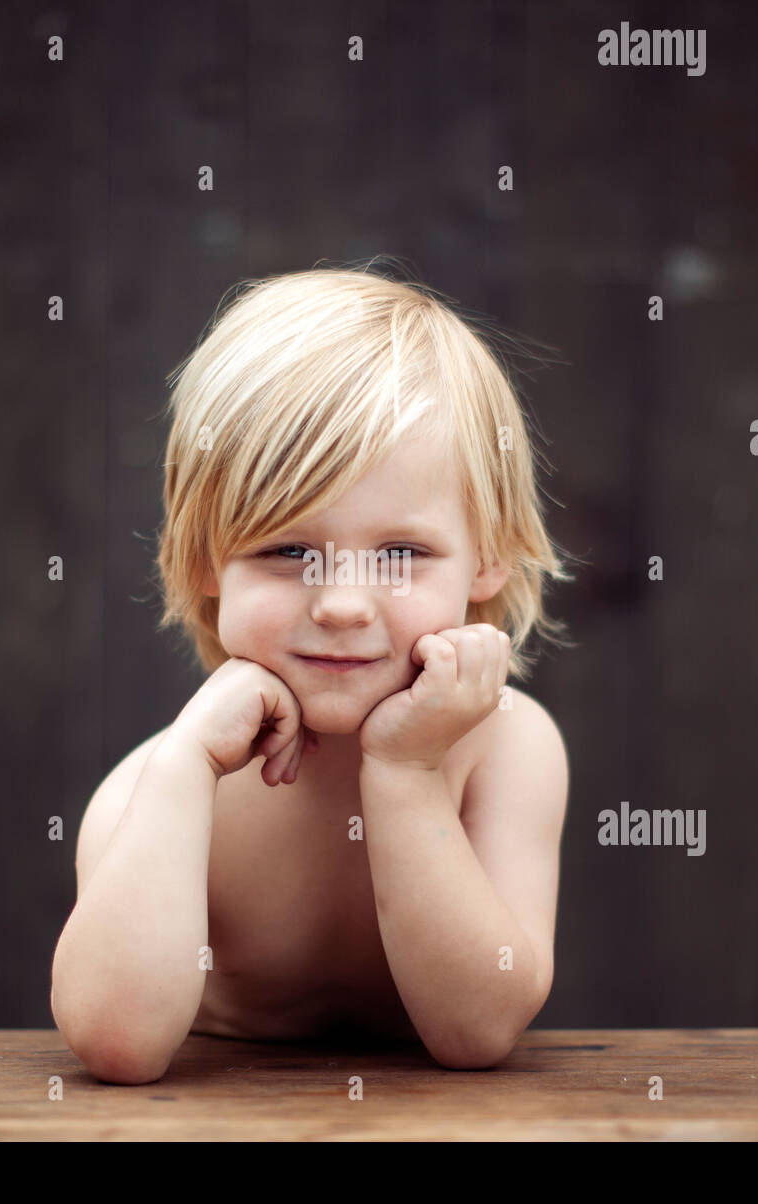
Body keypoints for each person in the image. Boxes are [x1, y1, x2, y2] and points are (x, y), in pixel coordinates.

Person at [50, 259, 576, 1082]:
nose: (340, 602)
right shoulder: (155, 785)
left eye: (400, 552)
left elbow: (478, 1028)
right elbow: (117, 1041)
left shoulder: (507, 746)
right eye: (288, 549)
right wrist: (185, 767)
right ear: (206, 562)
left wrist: (407, 769)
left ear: (489, 560)